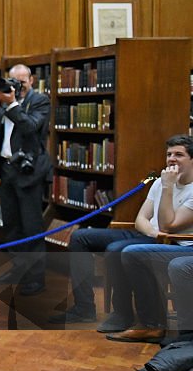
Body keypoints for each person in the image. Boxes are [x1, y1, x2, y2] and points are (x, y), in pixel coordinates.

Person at [49, 135, 193, 330]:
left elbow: (168, 226)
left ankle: (122, 314)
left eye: (179, 155)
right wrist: (151, 231)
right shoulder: (159, 182)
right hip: (148, 233)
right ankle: (83, 308)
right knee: (79, 237)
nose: (171, 159)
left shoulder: (179, 187)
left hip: (172, 241)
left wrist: (168, 187)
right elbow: (141, 218)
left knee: (116, 249)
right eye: (169, 154)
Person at [0, 64, 52, 296]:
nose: (17, 86)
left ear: (31, 80)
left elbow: (30, 127)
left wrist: (11, 103)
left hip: (29, 172)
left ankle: (35, 278)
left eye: (22, 82)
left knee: (31, 226)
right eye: (13, 81)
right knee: (11, 226)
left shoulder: (39, 101)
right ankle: (17, 269)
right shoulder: (4, 102)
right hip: (7, 170)